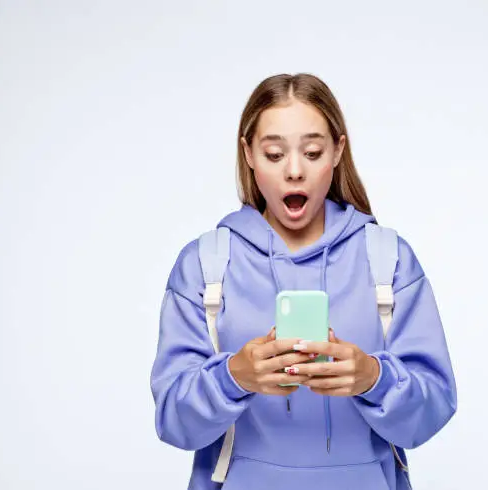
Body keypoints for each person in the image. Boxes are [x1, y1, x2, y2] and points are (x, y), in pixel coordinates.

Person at [149, 73, 457, 490]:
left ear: (337, 151)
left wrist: (373, 378)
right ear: (249, 154)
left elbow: (435, 408)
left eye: (312, 152)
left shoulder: (388, 259)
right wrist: (234, 376)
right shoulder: (205, 265)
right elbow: (172, 421)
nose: (294, 171)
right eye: (274, 154)